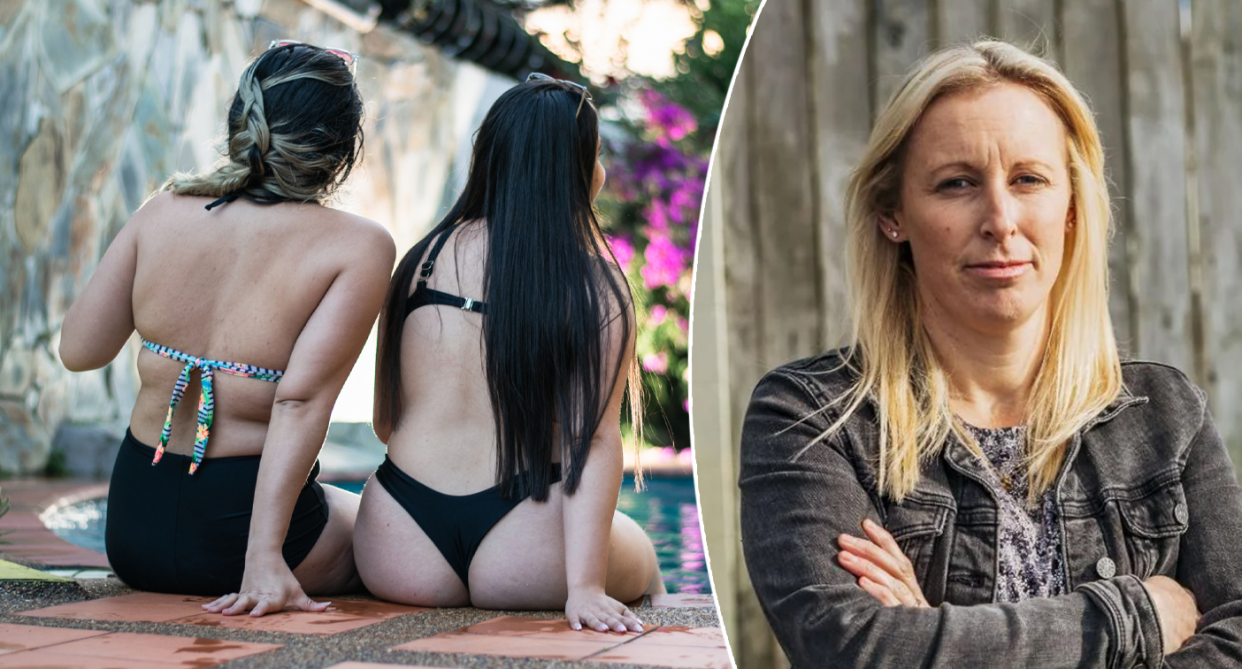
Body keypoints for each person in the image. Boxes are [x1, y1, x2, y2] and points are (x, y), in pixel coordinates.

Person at [740, 39, 1242, 667]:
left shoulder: (1165, 414)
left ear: (1070, 209)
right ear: (892, 213)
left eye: (1029, 179)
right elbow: (852, 648)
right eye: (957, 184)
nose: (1000, 219)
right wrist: (1132, 615)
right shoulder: (815, 419)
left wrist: (935, 637)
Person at [59, 41, 395, 616]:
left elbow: (79, 350)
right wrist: (264, 559)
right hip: (242, 542)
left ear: (242, 119)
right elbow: (299, 402)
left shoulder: (162, 210)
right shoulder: (358, 245)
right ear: (343, 145)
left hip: (134, 531)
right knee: (387, 528)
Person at [354, 74, 665, 633]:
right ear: (577, 171)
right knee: (648, 557)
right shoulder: (593, 284)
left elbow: (385, 422)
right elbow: (592, 443)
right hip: (525, 548)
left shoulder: (420, 262)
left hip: (399, 542)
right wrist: (585, 588)